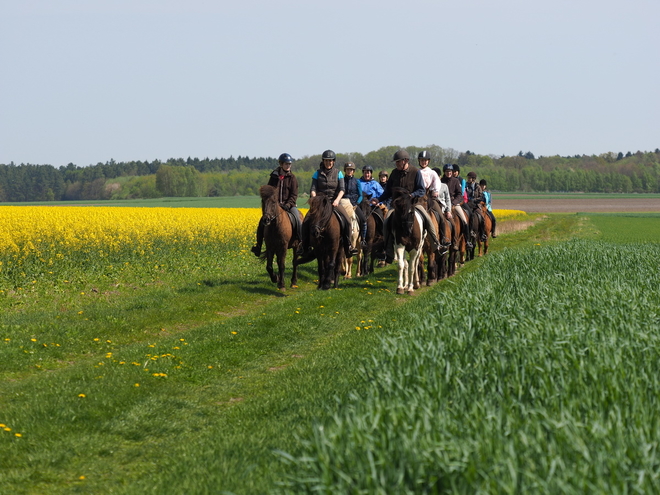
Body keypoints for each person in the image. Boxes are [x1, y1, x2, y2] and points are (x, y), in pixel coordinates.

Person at [371, 149, 443, 262]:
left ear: (405, 161)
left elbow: (421, 190)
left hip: (414, 204)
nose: (396, 164)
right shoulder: (394, 173)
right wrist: (378, 199)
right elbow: (388, 192)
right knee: (386, 223)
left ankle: (436, 245)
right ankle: (387, 251)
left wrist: (411, 195)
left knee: (428, 219)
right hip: (396, 206)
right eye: (396, 162)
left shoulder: (415, 172)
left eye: (398, 161)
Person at [304, 149, 359, 258]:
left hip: (334, 202)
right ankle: (304, 246)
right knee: (306, 220)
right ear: (323, 161)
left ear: (333, 162)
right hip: (320, 204)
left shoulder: (338, 173)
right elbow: (313, 189)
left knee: (347, 221)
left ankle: (348, 246)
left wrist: (337, 200)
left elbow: (342, 189)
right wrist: (315, 200)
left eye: (330, 161)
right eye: (326, 161)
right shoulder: (317, 173)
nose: (328, 163)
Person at [251, 153, 301, 257]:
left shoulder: (292, 178)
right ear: (281, 164)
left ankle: (302, 244)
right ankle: (258, 246)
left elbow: (294, 194)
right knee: (262, 221)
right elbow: (269, 192)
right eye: (286, 164)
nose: (288, 166)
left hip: (290, 206)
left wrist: (288, 204)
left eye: (289, 164)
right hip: (275, 206)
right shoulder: (274, 176)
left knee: (298, 219)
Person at [418, 151, 450, 247]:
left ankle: (444, 237)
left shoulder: (432, 173)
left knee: (440, 216)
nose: (424, 162)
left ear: (428, 161)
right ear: (419, 161)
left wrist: (435, 191)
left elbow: (437, 183)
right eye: (422, 160)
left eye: (425, 160)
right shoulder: (416, 172)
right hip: (418, 198)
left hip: (430, 198)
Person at [441, 163, 473, 248]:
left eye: (450, 171)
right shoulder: (441, 181)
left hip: (454, 204)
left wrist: (453, 203)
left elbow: (459, 194)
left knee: (464, 220)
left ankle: (467, 241)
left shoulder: (456, 181)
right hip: (443, 204)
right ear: (444, 172)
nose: (449, 173)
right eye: (447, 171)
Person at [343, 162, 368, 248]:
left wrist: (357, 203)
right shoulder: (341, 180)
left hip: (354, 204)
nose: (349, 171)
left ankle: (363, 240)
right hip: (343, 204)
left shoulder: (357, 181)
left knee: (363, 220)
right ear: (345, 170)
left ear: (353, 171)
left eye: (351, 170)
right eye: (348, 170)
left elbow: (360, 195)